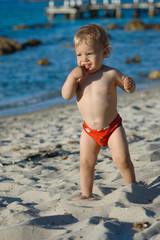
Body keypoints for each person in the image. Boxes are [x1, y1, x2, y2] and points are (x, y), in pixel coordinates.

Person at [61, 24, 136, 200]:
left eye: (90, 54)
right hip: (89, 131)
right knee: (86, 163)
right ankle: (86, 193)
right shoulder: (78, 78)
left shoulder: (111, 73)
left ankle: (133, 187)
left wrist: (129, 85)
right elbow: (66, 95)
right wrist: (71, 78)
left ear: (105, 52)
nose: (84, 59)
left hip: (113, 127)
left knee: (122, 160)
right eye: (79, 55)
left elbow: (129, 90)